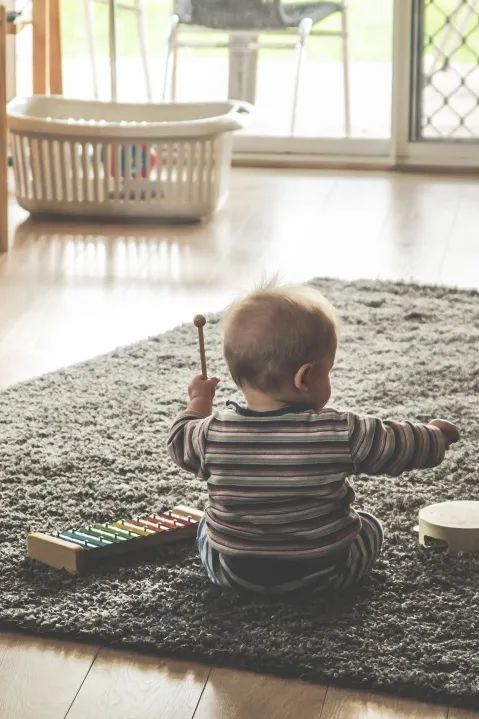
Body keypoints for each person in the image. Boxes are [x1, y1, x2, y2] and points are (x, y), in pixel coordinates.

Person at [167, 283, 460, 595]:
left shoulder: (210, 434)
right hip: (324, 572)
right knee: (371, 526)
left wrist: (199, 402)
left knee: (205, 526)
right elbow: (397, 444)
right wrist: (436, 436)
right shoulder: (340, 431)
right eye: (328, 372)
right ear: (305, 377)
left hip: (233, 573)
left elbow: (178, 440)